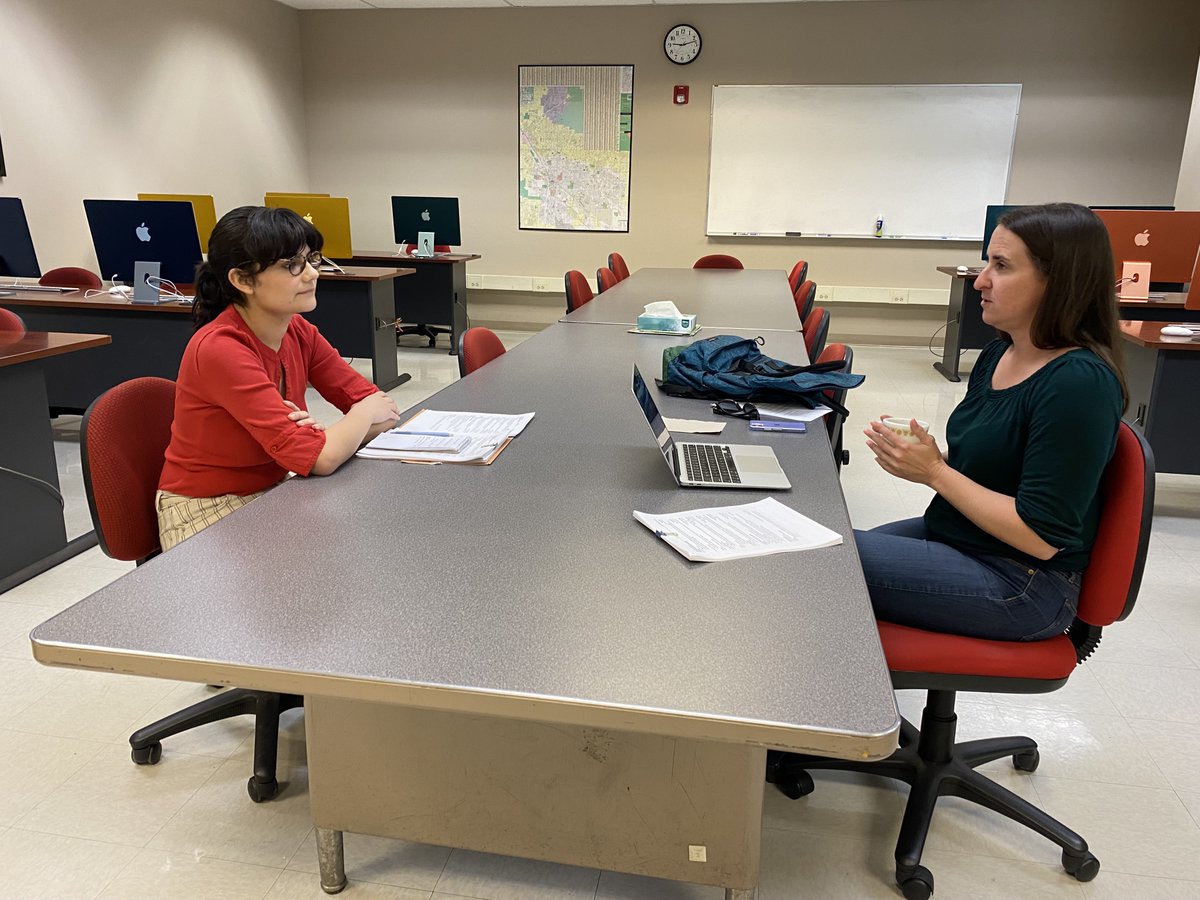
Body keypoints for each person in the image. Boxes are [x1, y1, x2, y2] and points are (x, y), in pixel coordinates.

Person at [855, 202, 1127, 641]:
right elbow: (995, 467)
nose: (980, 280)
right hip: (964, 538)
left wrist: (934, 472)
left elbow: (1042, 537)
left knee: (817, 562)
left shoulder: (1078, 383)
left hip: (1023, 583)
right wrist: (926, 458)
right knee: (819, 552)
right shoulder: (999, 353)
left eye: (1000, 266)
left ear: (1058, 281)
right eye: (987, 263)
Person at [156, 206, 400, 550]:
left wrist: (325, 437)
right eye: (291, 266)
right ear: (242, 280)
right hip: (206, 508)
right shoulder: (220, 348)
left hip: (273, 490)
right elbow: (323, 457)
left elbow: (385, 410)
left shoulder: (297, 329)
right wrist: (353, 421)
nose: (312, 274)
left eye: (311, 259)